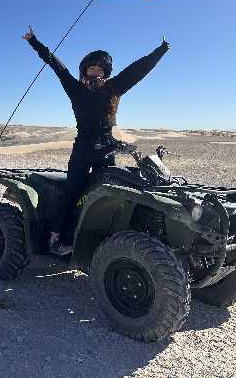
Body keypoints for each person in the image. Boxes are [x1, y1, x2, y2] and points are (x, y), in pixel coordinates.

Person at [23, 25, 169, 255]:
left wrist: (160, 51)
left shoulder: (114, 89)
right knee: (72, 192)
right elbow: (56, 65)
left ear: (105, 73)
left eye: (100, 69)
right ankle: (55, 238)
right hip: (83, 149)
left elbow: (137, 70)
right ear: (85, 72)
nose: (96, 73)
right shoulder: (75, 89)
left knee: (110, 193)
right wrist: (34, 42)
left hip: (107, 150)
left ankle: (104, 238)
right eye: (92, 69)